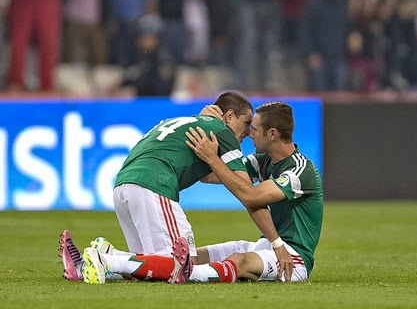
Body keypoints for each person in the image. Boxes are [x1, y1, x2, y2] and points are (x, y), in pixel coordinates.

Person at [73, 101, 323, 284]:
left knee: (236, 260)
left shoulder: (302, 170)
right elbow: (212, 175)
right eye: (249, 125)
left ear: (272, 134)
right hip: (267, 245)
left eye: (254, 129)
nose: (249, 134)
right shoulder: (263, 160)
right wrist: (209, 130)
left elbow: (252, 197)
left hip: (292, 256)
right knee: (201, 254)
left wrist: (213, 158)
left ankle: (177, 272)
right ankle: (111, 257)